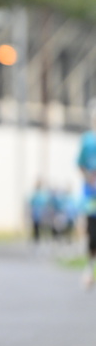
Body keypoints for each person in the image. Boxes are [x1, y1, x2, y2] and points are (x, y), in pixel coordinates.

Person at [77, 100, 96, 287]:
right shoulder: (88, 141)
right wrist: (88, 177)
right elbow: (80, 164)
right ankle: (89, 269)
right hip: (92, 197)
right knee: (92, 234)